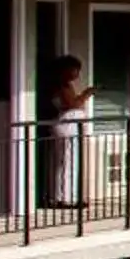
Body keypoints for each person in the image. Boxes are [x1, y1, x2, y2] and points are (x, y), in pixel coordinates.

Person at [41, 55, 93, 208]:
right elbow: (71, 104)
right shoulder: (61, 86)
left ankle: (64, 196)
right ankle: (63, 198)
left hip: (70, 126)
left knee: (66, 162)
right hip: (66, 126)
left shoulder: (65, 85)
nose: (77, 73)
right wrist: (86, 94)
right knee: (66, 163)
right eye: (75, 69)